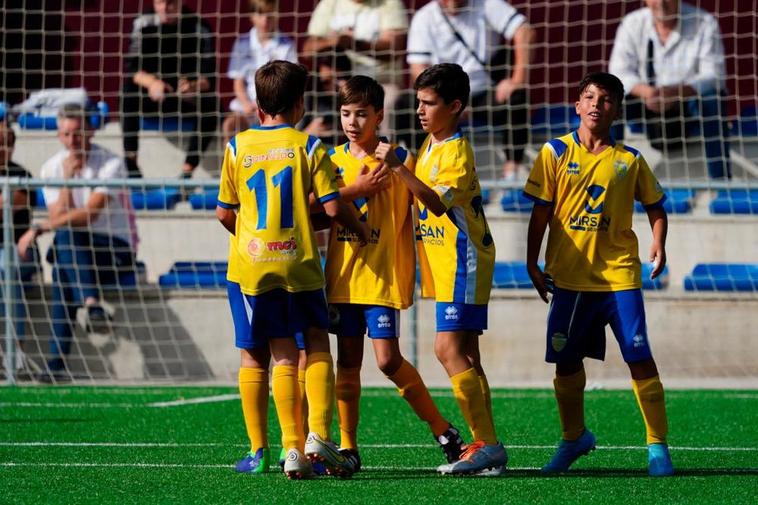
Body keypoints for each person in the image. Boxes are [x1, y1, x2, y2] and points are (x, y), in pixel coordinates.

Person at [215, 60, 369, 479]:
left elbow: (224, 214)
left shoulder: (236, 146)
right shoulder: (311, 146)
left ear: (259, 103)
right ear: (299, 104)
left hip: (251, 266)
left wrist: (252, 237)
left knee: (262, 354)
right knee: (315, 341)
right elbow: (335, 207)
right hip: (299, 263)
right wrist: (361, 229)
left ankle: (272, 450)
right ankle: (316, 434)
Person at [523, 72, 674, 477]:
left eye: (605, 99)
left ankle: (657, 446)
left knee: (639, 356)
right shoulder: (554, 152)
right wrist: (530, 263)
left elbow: (656, 207)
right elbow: (539, 214)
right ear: (576, 105)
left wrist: (658, 243)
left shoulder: (630, 160)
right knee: (566, 364)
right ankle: (574, 437)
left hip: (619, 277)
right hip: (569, 279)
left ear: (617, 109)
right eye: (588, 97)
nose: (595, 105)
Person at [321, 75, 465, 471]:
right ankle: (349, 448)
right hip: (344, 277)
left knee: (386, 360)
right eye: (346, 113)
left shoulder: (399, 158)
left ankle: (443, 429)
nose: (352, 121)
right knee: (347, 361)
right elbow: (317, 213)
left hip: (382, 277)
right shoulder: (331, 162)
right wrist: (353, 190)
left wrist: (399, 169)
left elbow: (427, 205)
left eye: (362, 114)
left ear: (379, 116)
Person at [376, 63, 507, 476]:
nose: (420, 110)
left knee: (446, 349)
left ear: (454, 106)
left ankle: (484, 443)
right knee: (467, 353)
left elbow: (435, 202)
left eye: (429, 103)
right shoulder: (431, 144)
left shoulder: (457, 151)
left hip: (462, 261)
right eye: (418, 102)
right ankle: (488, 445)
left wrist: (399, 167)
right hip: (446, 261)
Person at [17, 104, 138, 382]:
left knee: (64, 247)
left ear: (91, 131)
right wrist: (68, 180)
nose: (73, 140)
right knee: (63, 262)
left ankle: (56, 363)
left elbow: (90, 213)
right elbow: (59, 215)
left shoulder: (111, 163)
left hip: (114, 249)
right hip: (76, 252)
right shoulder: (52, 167)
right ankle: (91, 306)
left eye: (78, 133)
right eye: (67, 134)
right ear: (59, 136)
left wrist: (39, 229)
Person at [402, 0, 534, 180]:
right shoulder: (424, 17)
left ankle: (512, 174)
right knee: (405, 104)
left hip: (485, 93)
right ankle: (420, 169)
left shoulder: (487, 4)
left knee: (516, 97)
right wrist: (446, 102)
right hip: (445, 97)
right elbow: (418, 69)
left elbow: (524, 31)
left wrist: (517, 80)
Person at [608, 0, 730, 179]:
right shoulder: (631, 23)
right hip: (645, 100)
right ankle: (609, 179)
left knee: (712, 100)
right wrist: (648, 92)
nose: (662, 3)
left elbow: (714, 76)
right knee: (609, 99)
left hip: (687, 102)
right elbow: (618, 72)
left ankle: (721, 182)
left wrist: (674, 93)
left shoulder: (703, 22)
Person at [121, 0, 218, 178]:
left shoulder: (199, 26)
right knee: (128, 93)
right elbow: (132, 69)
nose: (164, 8)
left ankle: (187, 172)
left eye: (170, 3)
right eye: (160, 3)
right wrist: (152, 83)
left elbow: (210, 78)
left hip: (185, 97)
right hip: (153, 95)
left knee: (212, 104)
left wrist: (194, 86)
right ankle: (131, 164)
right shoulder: (143, 23)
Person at [303, 0, 407, 134]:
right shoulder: (329, 3)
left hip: (380, 82)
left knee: (388, 101)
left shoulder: (390, 3)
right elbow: (307, 49)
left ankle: (385, 150)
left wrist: (355, 44)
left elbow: (394, 48)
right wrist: (334, 41)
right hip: (337, 80)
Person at [222, 0, 298, 146]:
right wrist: (246, 104)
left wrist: (270, 106)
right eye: (261, 14)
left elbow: (290, 83)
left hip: (275, 108)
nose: (265, 20)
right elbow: (238, 82)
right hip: (247, 108)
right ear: (252, 16)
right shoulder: (242, 43)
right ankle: (230, 167)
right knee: (230, 126)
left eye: (270, 15)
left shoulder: (287, 45)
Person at [0, 119, 39, 357]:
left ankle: (16, 352)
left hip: (16, 248)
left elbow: (10, 204)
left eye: (5, 143)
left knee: (6, 269)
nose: (1, 148)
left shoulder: (21, 174)